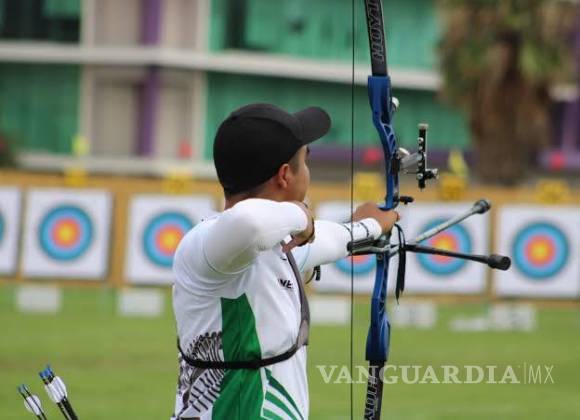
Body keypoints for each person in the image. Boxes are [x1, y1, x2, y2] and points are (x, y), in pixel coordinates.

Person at [171, 103, 399, 419]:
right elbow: (249, 223)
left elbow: (329, 240)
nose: (308, 172)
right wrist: (301, 215)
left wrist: (370, 226)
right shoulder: (205, 246)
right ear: (284, 175)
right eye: (305, 161)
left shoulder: (275, 246)